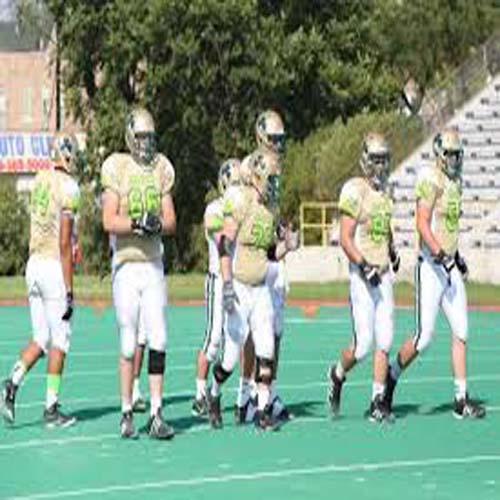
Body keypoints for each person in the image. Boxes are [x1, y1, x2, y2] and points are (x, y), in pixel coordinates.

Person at [385, 129, 485, 420]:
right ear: (440, 155)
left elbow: (448, 228)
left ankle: (460, 399)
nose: (455, 160)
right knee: (423, 338)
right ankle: (391, 375)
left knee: (461, 331)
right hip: (431, 266)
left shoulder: (456, 183)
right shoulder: (430, 178)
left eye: (457, 155)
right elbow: (422, 224)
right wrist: (442, 255)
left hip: (449, 265)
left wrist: (456, 257)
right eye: (450, 155)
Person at [207, 150, 297, 430]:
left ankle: (262, 411)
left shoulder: (270, 210)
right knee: (230, 359)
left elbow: (269, 253)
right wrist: (227, 285)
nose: (275, 185)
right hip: (240, 287)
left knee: (266, 349)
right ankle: (214, 391)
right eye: (271, 179)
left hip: (261, 290)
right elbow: (224, 245)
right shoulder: (241, 200)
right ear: (257, 176)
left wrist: (287, 246)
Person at [101, 107, 176, 439]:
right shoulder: (117, 167)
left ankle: (157, 413)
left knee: (158, 338)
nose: (146, 144)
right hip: (126, 266)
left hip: (153, 265)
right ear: (130, 137)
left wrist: (156, 224)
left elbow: (171, 220)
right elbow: (108, 220)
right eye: (141, 137)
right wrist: (136, 223)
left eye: (150, 137)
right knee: (129, 342)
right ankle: (126, 411)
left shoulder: (161, 167)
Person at [0, 132, 80, 428]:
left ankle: (11, 383)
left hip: (33, 264)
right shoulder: (69, 186)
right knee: (61, 340)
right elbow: (63, 242)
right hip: (52, 266)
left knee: (41, 338)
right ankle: (51, 408)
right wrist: (69, 289)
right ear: (68, 154)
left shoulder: (40, 179)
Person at [327, 132, 399, 422]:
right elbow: (345, 238)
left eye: (384, 160)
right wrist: (364, 264)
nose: (381, 166)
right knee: (363, 345)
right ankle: (337, 373)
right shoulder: (355, 189)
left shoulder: (386, 192)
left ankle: (377, 401)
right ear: (366, 161)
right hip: (362, 276)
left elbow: (384, 225)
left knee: (386, 339)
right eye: (376, 160)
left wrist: (392, 249)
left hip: (383, 274)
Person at [191, 158, 242, 417]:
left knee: (239, 338)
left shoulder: (243, 208)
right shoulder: (215, 209)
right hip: (218, 279)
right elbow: (223, 240)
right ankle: (200, 393)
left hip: (238, 279)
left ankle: (243, 393)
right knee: (213, 340)